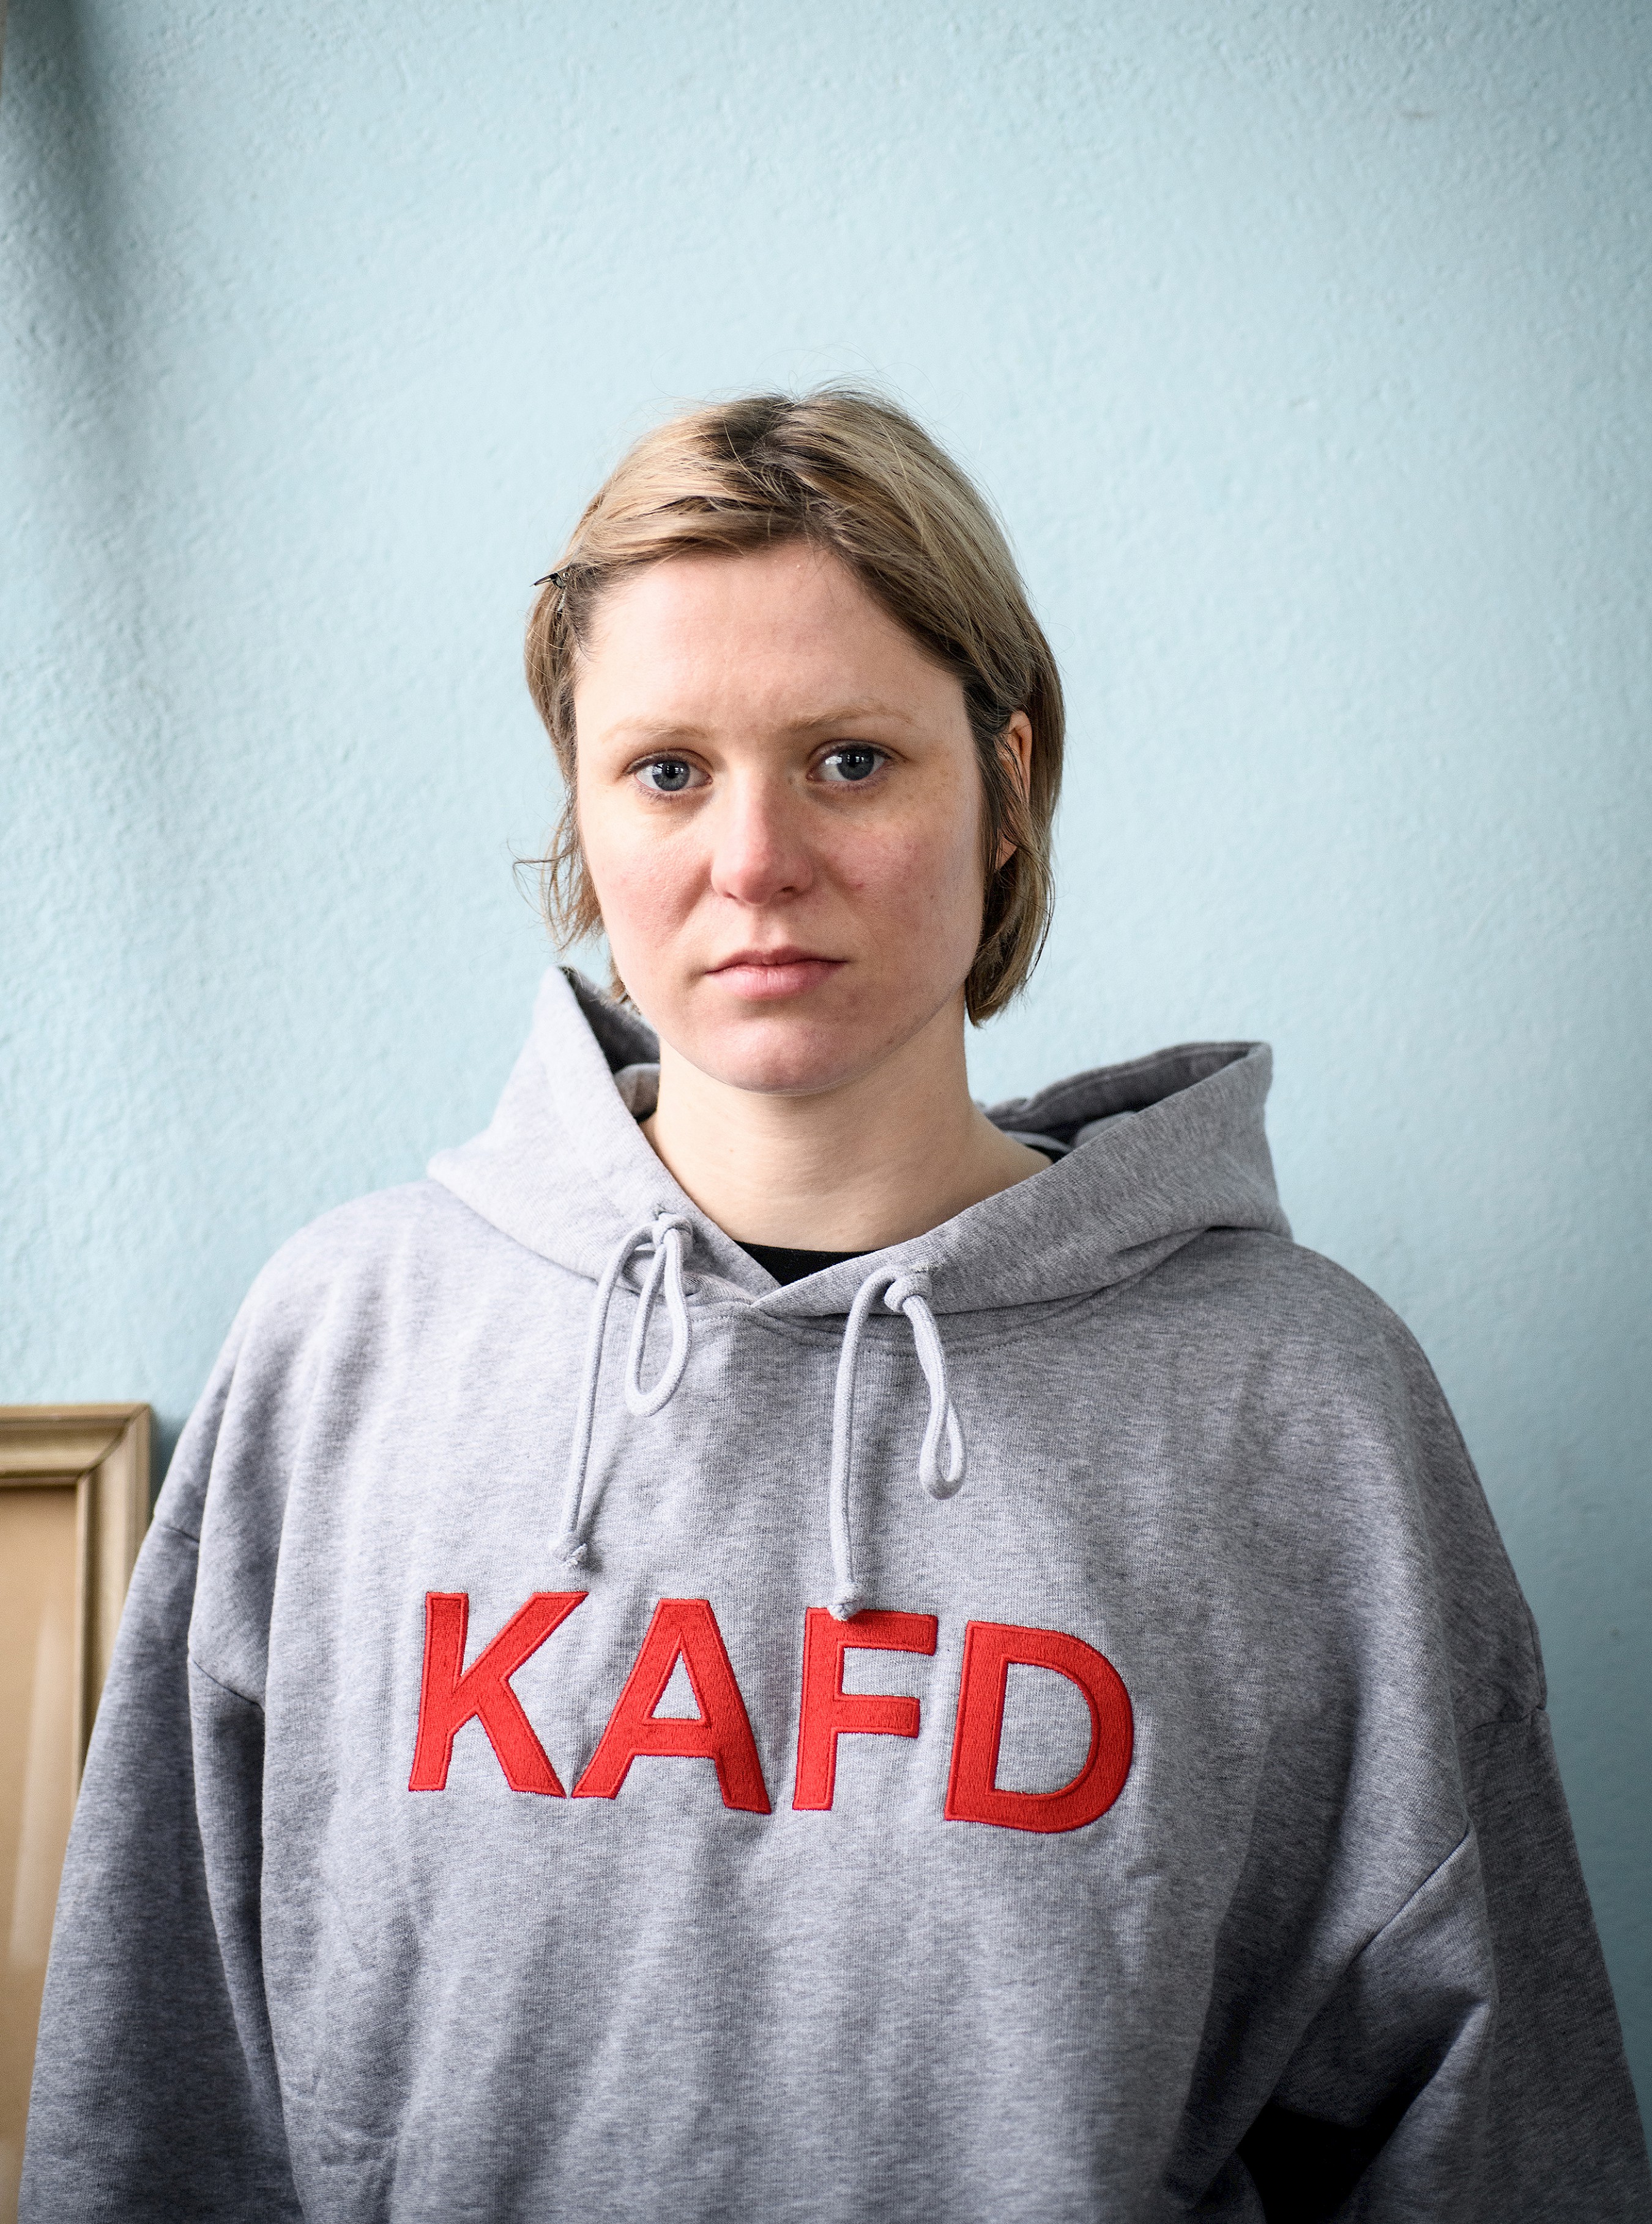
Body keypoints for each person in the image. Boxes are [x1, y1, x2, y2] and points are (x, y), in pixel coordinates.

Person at [22, 389, 1650, 2223]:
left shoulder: (1299, 1406)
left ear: (1006, 782)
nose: (754, 860)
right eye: (668, 771)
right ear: (581, 804)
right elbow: (158, 2096)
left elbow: (1485, 2139)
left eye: (851, 759)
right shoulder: (344, 1346)